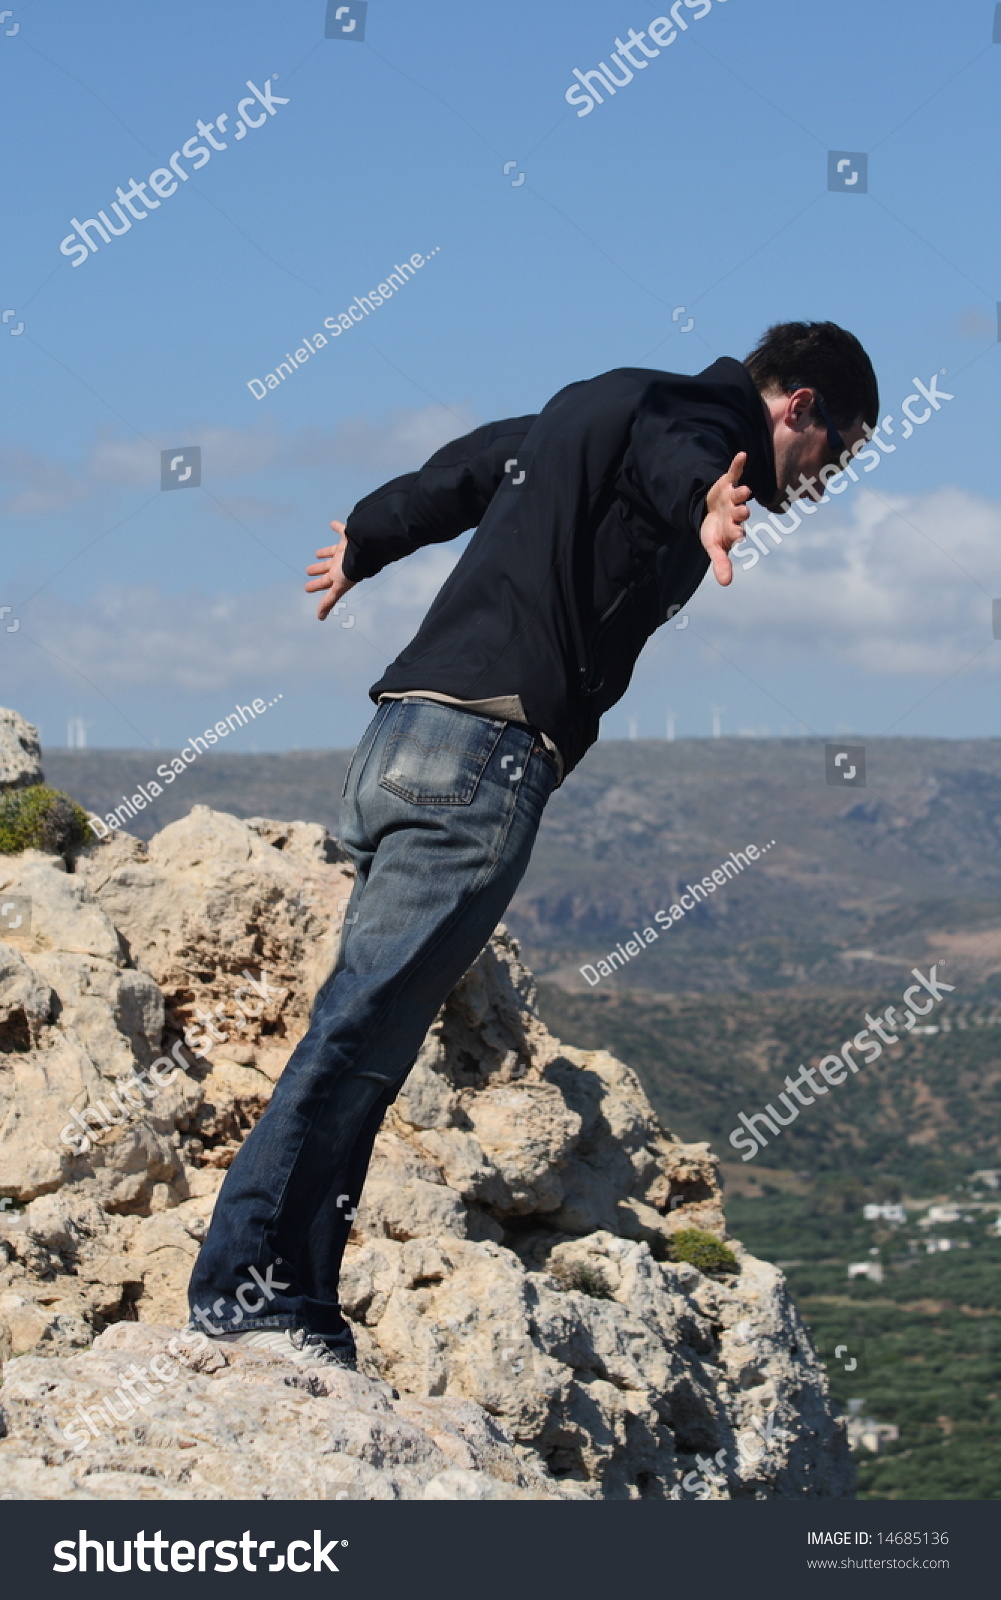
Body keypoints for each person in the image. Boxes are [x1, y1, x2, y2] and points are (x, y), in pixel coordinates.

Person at [186, 320, 877, 1368]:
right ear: (799, 407)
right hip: (484, 752)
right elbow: (680, 453)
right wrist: (706, 502)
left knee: (363, 1039)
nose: (825, 478)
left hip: (401, 734)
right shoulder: (703, 422)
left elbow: (466, 469)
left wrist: (369, 536)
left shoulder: (588, 404)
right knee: (354, 1039)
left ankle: (295, 1297)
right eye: (840, 450)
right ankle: (247, 1290)